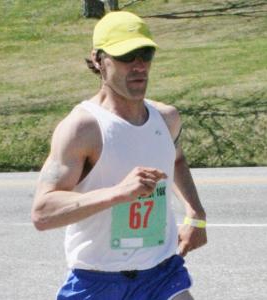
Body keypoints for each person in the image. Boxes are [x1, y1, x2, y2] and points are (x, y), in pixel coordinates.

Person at [31, 11, 207, 300]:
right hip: (98, 280)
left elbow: (175, 159)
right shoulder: (83, 129)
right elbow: (42, 212)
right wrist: (118, 193)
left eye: (145, 54)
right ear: (99, 60)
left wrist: (196, 214)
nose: (139, 66)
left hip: (161, 275)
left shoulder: (166, 119)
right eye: (126, 56)